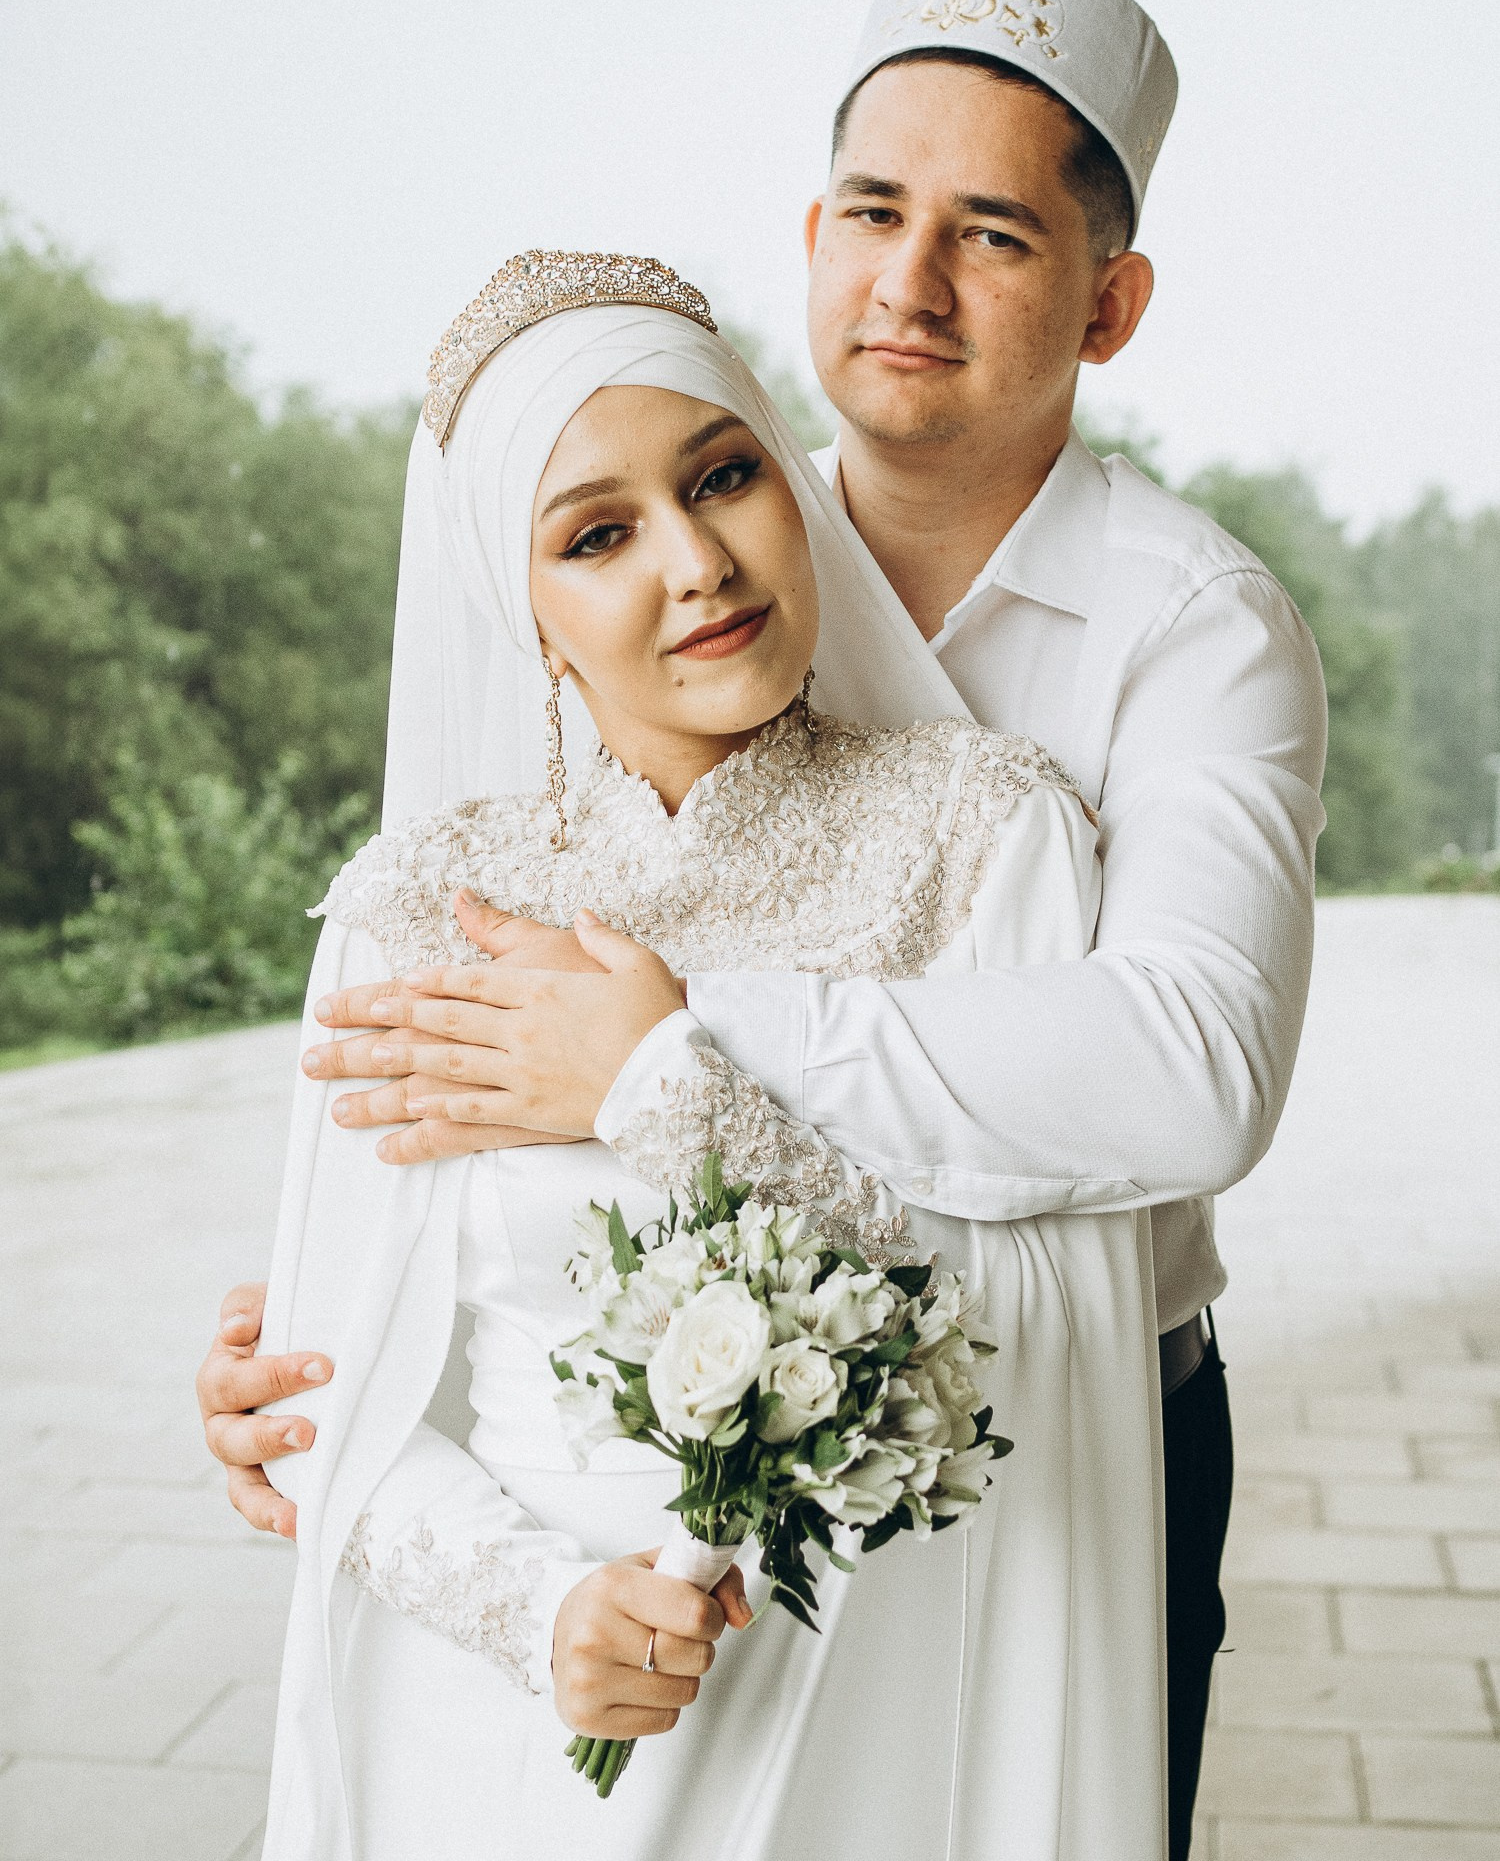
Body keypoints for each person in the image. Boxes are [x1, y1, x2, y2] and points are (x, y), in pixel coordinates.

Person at [198, 0, 1327, 1860]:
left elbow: (1191, 1066)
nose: (909, 283)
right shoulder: (665, 478)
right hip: (554, 1667)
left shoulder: (1184, 634)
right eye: (874, 213)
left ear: (1109, 301)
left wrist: (660, 1054)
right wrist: (315, 1378)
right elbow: (365, 1345)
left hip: (1052, 1459)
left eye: (993, 234)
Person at [254, 252, 1166, 1861]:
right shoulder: (416, 912)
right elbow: (324, 1404)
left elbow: (1034, 1326)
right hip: (500, 1731)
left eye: (724, 475)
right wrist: (545, 1614)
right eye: (596, 536)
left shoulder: (985, 834)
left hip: (873, 1697)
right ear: (525, 613)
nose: (697, 563)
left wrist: (661, 1086)